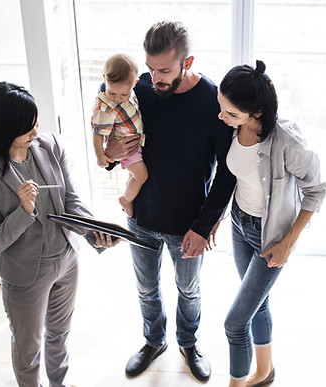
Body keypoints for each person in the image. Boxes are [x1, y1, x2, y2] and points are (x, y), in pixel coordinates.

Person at [103, 21, 236, 382]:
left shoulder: (213, 100)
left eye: (163, 70)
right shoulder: (139, 89)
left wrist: (204, 224)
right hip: (142, 216)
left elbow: (227, 172)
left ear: (187, 62)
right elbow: (114, 137)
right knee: (146, 287)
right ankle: (154, 340)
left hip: (189, 223)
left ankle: (188, 343)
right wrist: (111, 153)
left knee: (188, 289)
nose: (154, 77)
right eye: (149, 67)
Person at [0, 82, 119, 387]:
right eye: (27, 127)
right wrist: (24, 210)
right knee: (27, 346)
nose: (35, 132)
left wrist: (94, 230)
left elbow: (71, 201)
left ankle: (59, 384)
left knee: (60, 334)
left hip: (66, 260)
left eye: (35, 122)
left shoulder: (49, 146)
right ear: (3, 128)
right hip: (25, 275)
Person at [216, 61, 326, 387]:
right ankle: (264, 372)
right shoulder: (232, 127)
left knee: (235, 323)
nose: (223, 118)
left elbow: (316, 191)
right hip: (239, 224)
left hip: (270, 237)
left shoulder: (286, 141)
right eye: (221, 108)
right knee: (257, 305)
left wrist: (288, 243)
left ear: (257, 113)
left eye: (231, 114)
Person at [90, 53, 147, 217]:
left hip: (135, 143)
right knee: (141, 175)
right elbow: (97, 133)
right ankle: (125, 200)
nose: (117, 99)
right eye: (112, 93)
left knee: (133, 175)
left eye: (123, 95)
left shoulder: (130, 91)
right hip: (126, 148)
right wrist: (101, 156)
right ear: (104, 79)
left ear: (134, 84)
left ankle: (129, 195)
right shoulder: (105, 106)